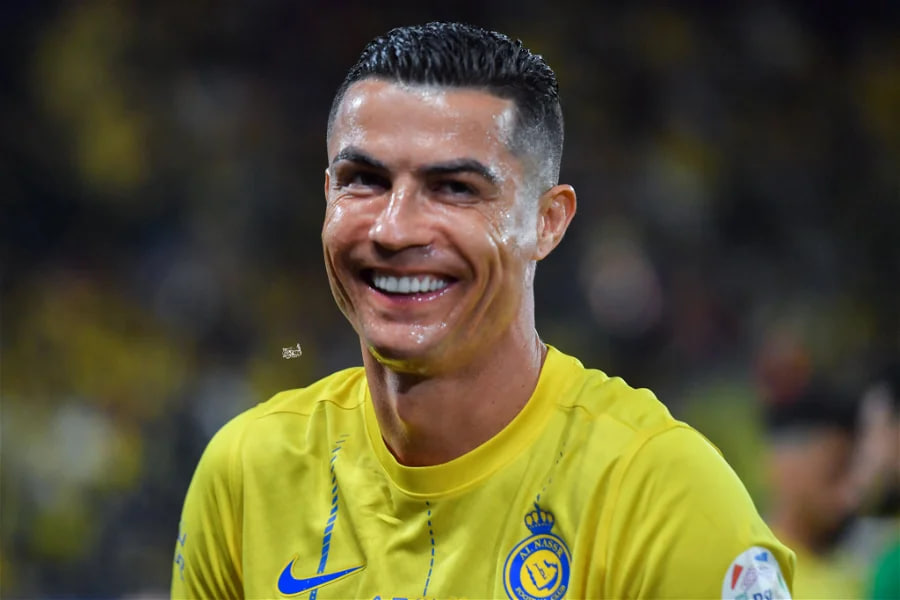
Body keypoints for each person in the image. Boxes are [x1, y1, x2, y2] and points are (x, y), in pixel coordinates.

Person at [171, 22, 794, 599]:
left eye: (454, 188)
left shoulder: (662, 497)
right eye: (364, 180)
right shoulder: (248, 474)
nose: (393, 229)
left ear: (547, 222)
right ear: (328, 193)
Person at [763, 382, 862, 599]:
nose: (849, 495)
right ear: (785, 465)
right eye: (834, 473)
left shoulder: (861, 574)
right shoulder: (746, 576)